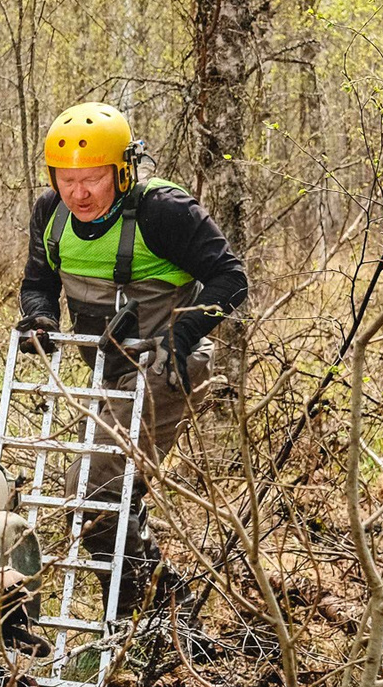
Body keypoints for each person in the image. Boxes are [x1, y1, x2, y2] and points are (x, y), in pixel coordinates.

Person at [16, 102, 247, 595]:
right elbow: (38, 282)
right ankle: (161, 598)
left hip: (167, 368)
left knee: (93, 489)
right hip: (110, 367)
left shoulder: (164, 211)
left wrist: (179, 339)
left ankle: (130, 609)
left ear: (122, 170)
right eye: (65, 179)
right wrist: (41, 316)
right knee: (101, 492)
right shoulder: (50, 214)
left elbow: (231, 278)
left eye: (93, 179)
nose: (78, 193)